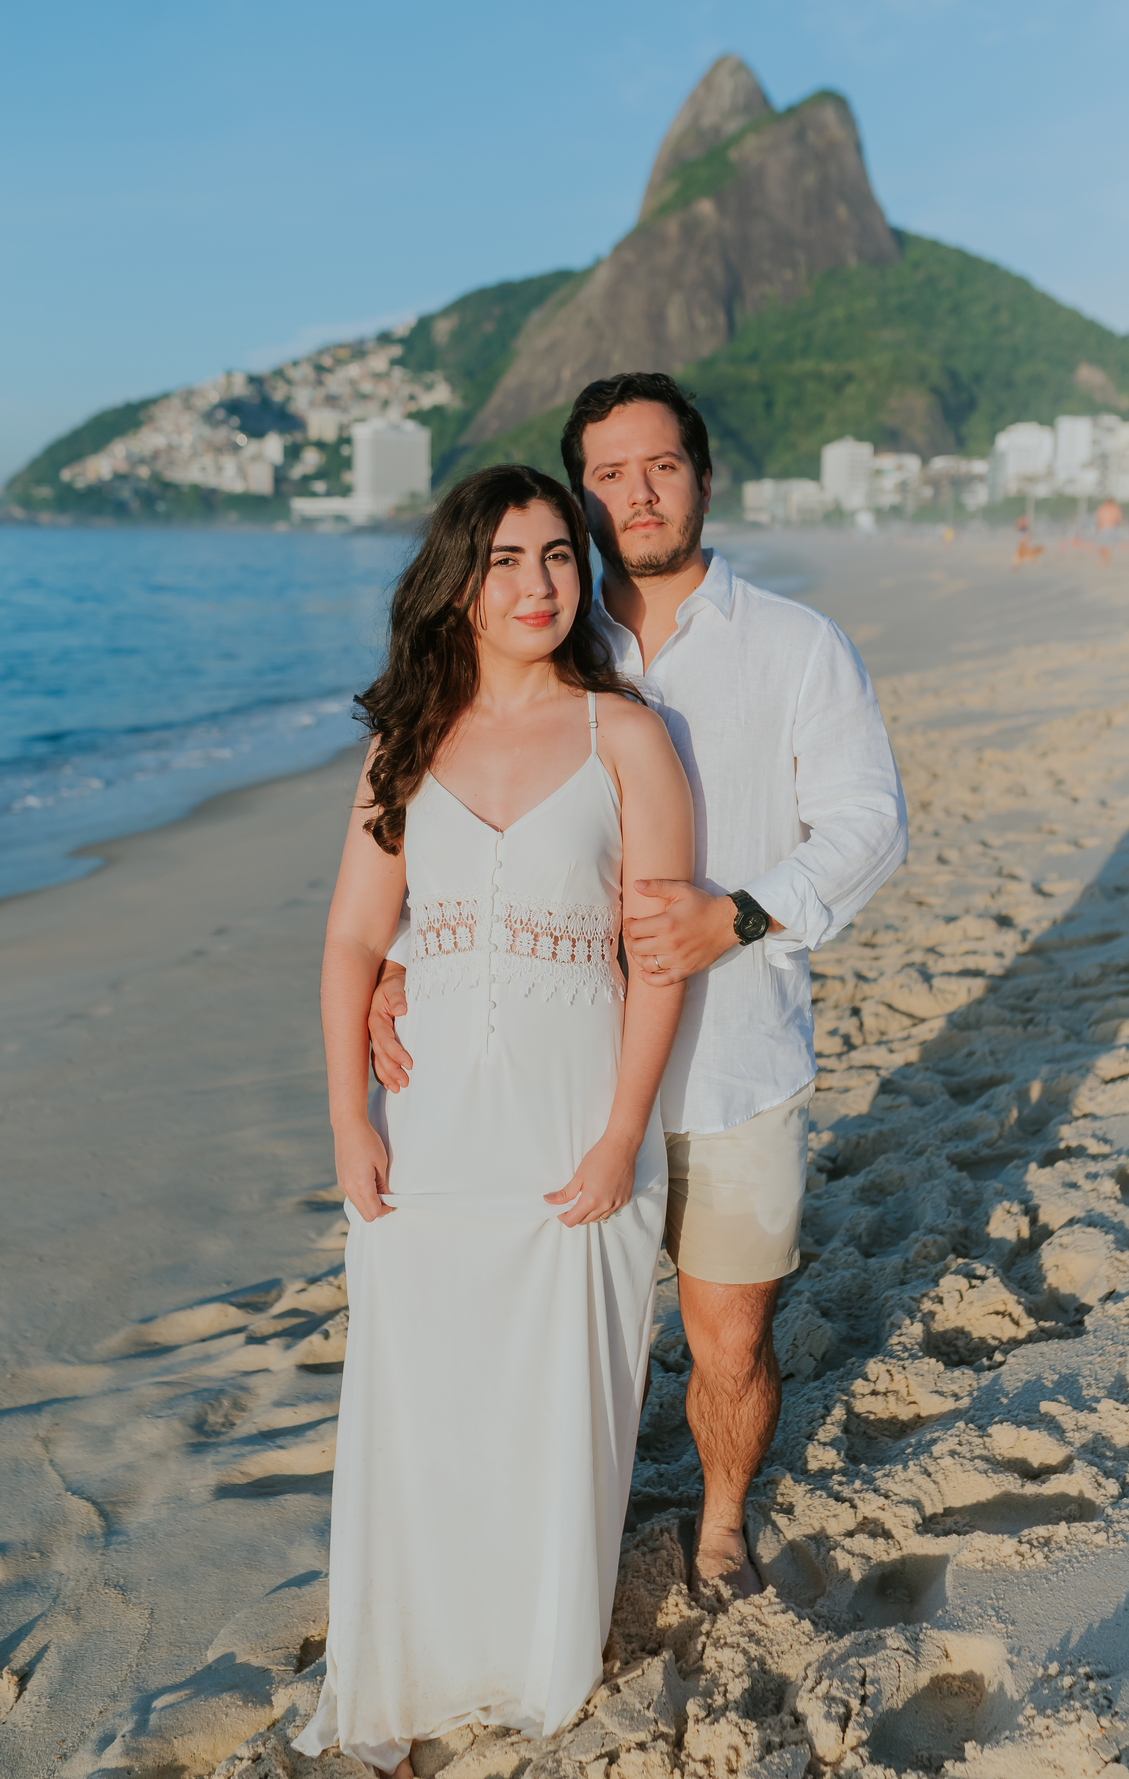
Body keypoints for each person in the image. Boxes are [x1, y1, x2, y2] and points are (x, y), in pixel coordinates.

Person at [370, 374, 908, 1598]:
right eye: (608, 475)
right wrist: (394, 962)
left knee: (726, 1335)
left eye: (659, 467)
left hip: (733, 1064)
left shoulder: (794, 645)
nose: (637, 494)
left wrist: (744, 914)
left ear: (703, 477)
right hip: (557, 1072)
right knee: (565, 1340)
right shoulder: (539, 636)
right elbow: (476, 819)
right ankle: (557, 1541)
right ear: (582, 494)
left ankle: (719, 1521)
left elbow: (870, 822)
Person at [294, 464, 694, 1774]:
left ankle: (531, 1654)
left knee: (554, 1404)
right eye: (506, 560)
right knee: (422, 1401)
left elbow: (658, 959)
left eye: (558, 558)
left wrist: (624, 1132)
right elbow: (356, 937)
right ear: (457, 583)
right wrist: (349, 1123)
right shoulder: (405, 739)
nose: (536, 585)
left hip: (577, 1126)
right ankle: (407, 1663)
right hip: (431, 1137)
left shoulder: (625, 736)